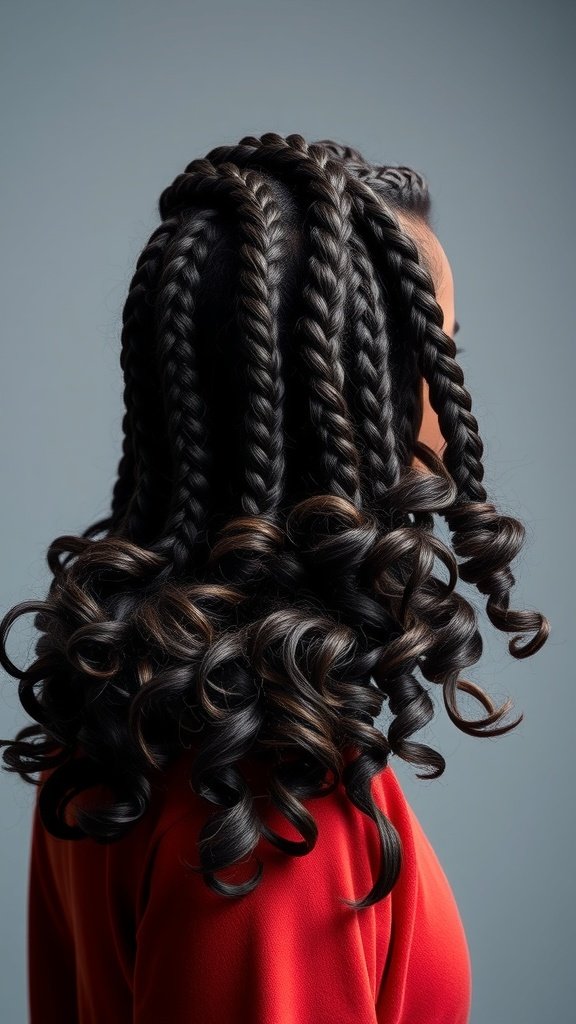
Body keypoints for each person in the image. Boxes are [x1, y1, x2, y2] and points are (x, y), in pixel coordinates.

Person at [0, 132, 549, 1023]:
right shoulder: (271, 818)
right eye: (442, 352)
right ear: (358, 393)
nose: (451, 408)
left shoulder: (110, 710)